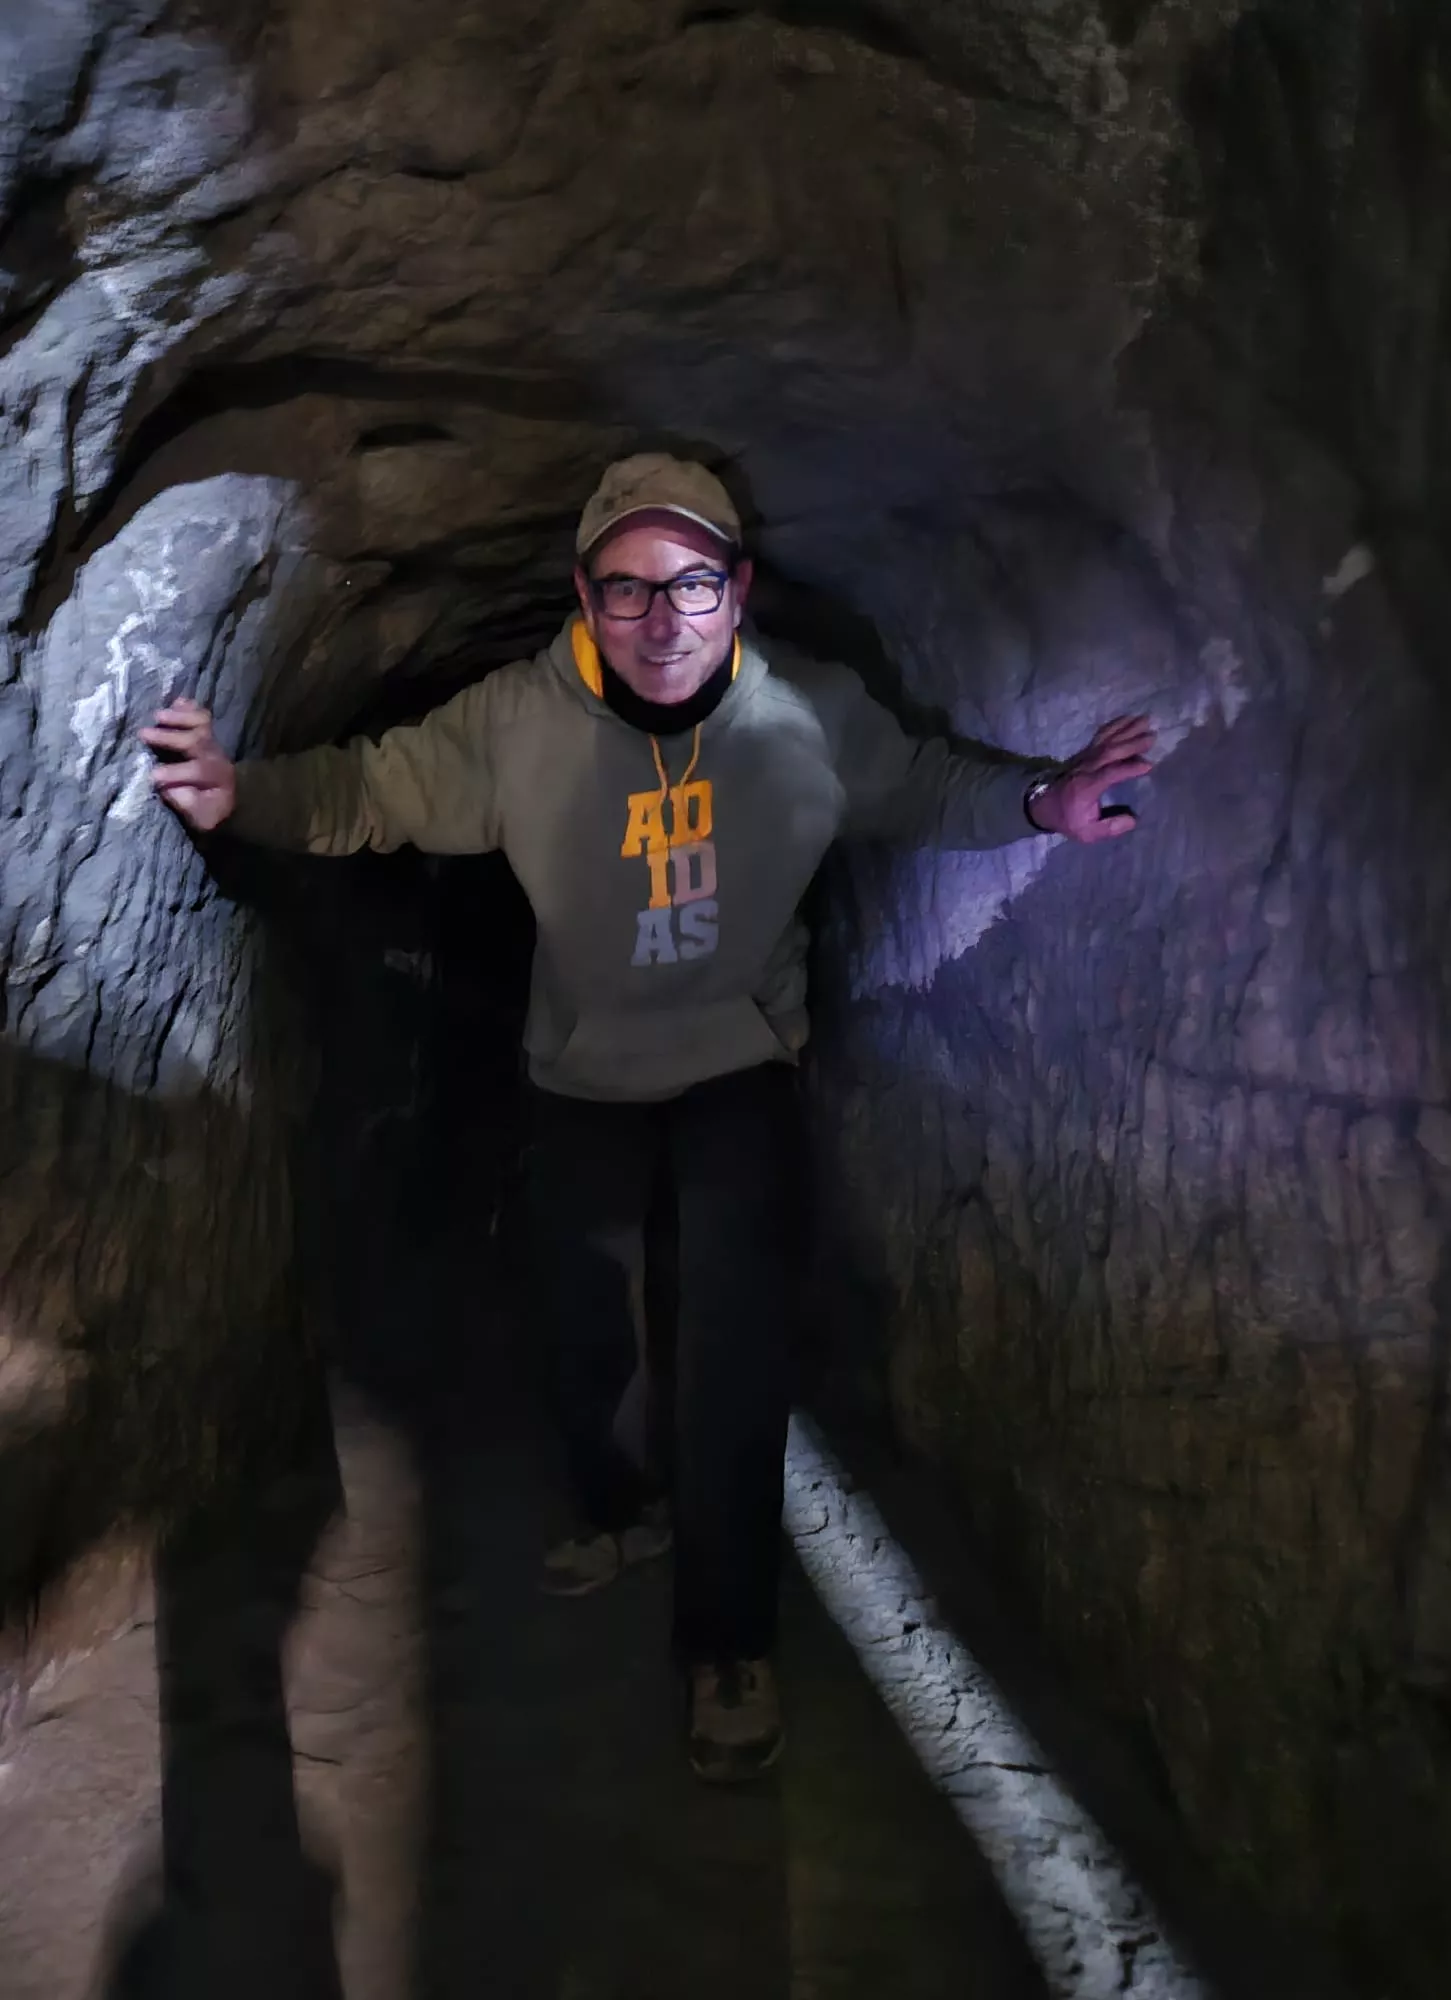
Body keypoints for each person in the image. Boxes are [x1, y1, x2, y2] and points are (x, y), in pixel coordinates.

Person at [143, 454, 1155, 1784]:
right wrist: (242, 795)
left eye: (689, 584)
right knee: (586, 1316)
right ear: (582, 598)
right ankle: (619, 1506)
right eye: (626, 591)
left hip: (744, 1060)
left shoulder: (807, 711)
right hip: (582, 1069)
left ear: (736, 590)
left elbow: (915, 780)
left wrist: (1045, 799)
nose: (661, 617)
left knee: (731, 1347)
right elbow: (376, 789)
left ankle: (727, 1638)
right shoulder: (518, 720)